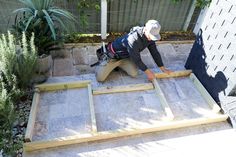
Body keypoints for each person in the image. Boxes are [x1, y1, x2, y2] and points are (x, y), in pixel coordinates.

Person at [95, 20, 172, 82]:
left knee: (134, 73)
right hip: (112, 57)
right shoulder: (133, 39)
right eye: (150, 36)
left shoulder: (150, 37)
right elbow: (137, 59)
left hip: (126, 57)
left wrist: (162, 68)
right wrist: (149, 73)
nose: (151, 39)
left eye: (153, 37)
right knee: (100, 78)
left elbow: (154, 52)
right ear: (145, 29)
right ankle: (107, 64)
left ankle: (120, 65)